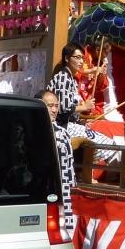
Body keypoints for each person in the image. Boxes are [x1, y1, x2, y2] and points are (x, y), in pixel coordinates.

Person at [38, 89, 75, 240]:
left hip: (60, 190)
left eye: (56, 106)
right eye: (50, 105)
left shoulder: (62, 133)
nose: (54, 110)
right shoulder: (30, 129)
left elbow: (69, 167)